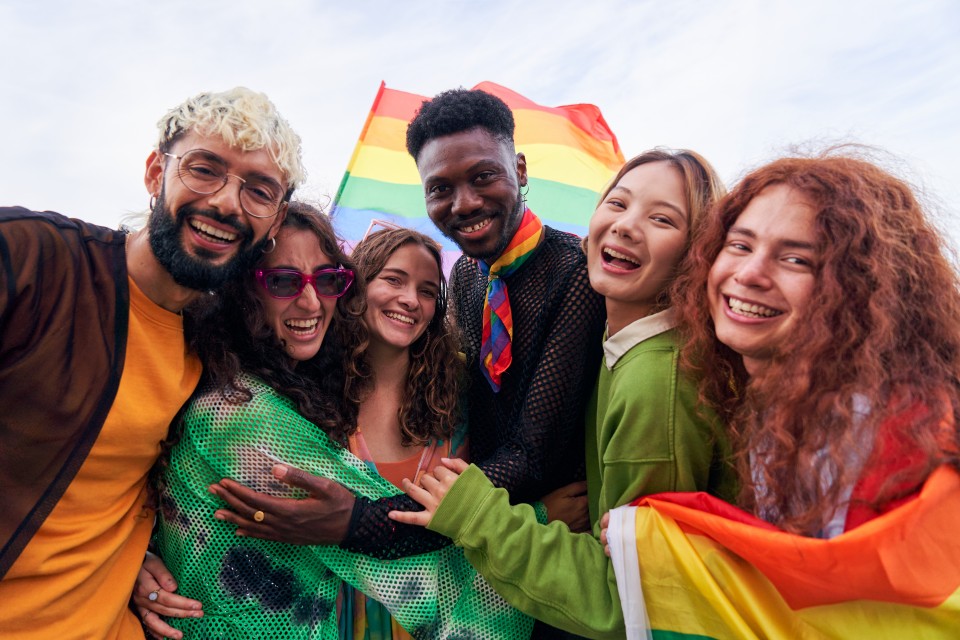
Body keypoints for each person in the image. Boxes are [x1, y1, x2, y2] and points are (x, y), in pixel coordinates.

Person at [209, 89, 606, 574]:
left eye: (484, 176)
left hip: (560, 545)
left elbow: (530, 455)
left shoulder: (576, 275)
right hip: (478, 541)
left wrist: (361, 524)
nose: (465, 203)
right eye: (440, 188)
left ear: (519, 171)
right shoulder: (466, 277)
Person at [593, 152, 960, 639]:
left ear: (859, 287)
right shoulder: (776, 404)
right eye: (740, 245)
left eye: (796, 259)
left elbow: (843, 605)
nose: (750, 274)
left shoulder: (894, 440)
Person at [390, 149, 738, 638]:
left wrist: (477, 514)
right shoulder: (618, 348)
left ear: (696, 250)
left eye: (661, 219)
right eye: (618, 204)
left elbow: (632, 599)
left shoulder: (655, 385)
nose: (626, 226)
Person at [135, 215, 533, 639]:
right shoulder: (238, 410)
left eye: (328, 280)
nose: (310, 301)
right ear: (243, 288)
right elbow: (408, 562)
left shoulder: (310, 391)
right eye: (284, 281)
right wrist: (538, 525)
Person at [0, 86, 302, 639]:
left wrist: (137, 549)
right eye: (205, 169)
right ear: (154, 173)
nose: (227, 203)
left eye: (258, 190)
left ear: (276, 218)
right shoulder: (32, 263)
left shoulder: (216, 347)